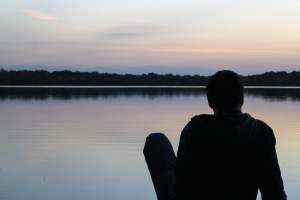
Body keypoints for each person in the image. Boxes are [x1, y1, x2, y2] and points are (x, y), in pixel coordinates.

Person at [143, 70, 287, 200]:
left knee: (156, 140)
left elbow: (182, 191)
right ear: (242, 99)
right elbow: (275, 195)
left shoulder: (194, 130)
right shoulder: (261, 132)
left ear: (210, 102)